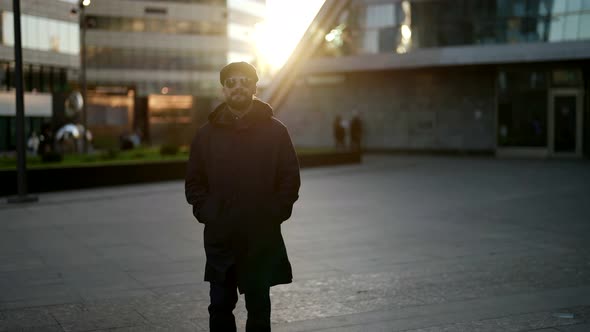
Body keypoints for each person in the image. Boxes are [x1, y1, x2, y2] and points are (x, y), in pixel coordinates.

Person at [185, 61, 301, 332]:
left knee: (259, 309)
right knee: (220, 308)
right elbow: (194, 182)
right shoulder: (205, 135)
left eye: (244, 81)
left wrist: (273, 214)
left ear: (254, 86)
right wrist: (209, 213)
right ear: (223, 90)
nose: (238, 86)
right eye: (231, 82)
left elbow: (289, 179)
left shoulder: (276, 132)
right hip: (221, 238)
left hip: (259, 237)